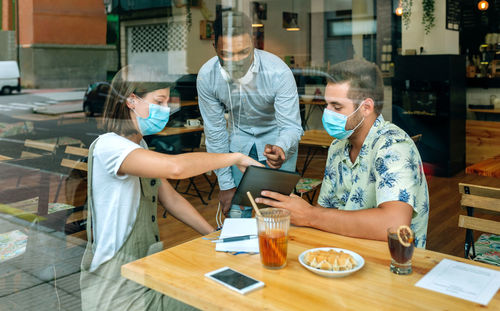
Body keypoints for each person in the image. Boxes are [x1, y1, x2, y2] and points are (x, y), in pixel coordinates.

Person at [80, 65, 262, 311]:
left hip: (142, 277)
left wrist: (214, 236)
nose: (165, 109)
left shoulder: (139, 146)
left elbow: (171, 199)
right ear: (131, 101)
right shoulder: (109, 146)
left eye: (167, 102)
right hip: (116, 291)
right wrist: (234, 157)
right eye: (159, 101)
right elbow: (176, 168)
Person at [256, 59, 429, 248]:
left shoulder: (394, 146)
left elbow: (394, 225)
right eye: (327, 104)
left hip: (390, 265)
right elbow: (324, 212)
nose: (327, 113)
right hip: (342, 254)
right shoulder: (338, 146)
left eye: (337, 107)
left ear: (366, 107)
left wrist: (310, 215)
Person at [197, 11, 303, 218]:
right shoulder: (207, 77)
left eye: (244, 52)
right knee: (237, 213)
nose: (236, 62)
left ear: (254, 42)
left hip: (277, 140)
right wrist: (225, 185)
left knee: (278, 214)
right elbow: (215, 132)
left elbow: (290, 126)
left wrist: (281, 147)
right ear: (214, 47)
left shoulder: (278, 72)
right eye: (226, 54)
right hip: (238, 141)